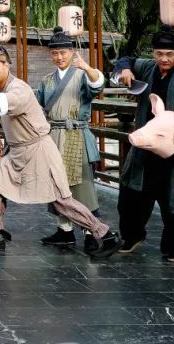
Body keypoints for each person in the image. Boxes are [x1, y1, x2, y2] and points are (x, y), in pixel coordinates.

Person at [0, 43, 120, 258]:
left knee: (61, 201)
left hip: (38, 149)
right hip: (16, 152)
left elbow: (12, 102)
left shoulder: (18, 87)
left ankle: (104, 234)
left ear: (6, 66)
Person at [113, 26, 174, 263]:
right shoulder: (149, 68)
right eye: (159, 53)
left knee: (173, 202)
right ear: (153, 53)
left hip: (173, 152)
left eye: (169, 54)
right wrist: (124, 68)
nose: (163, 59)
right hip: (146, 147)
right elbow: (126, 59)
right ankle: (132, 236)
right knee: (131, 194)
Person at [33, 27, 106, 251]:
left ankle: (91, 231)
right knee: (57, 184)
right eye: (55, 53)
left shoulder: (82, 76)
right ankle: (64, 230)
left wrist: (87, 68)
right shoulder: (46, 81)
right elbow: (35, 105)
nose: (59, 57)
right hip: (54, 136)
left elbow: (97, 86)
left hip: (76, 136)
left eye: (63, 52)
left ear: (72, 52)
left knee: (82, 186)